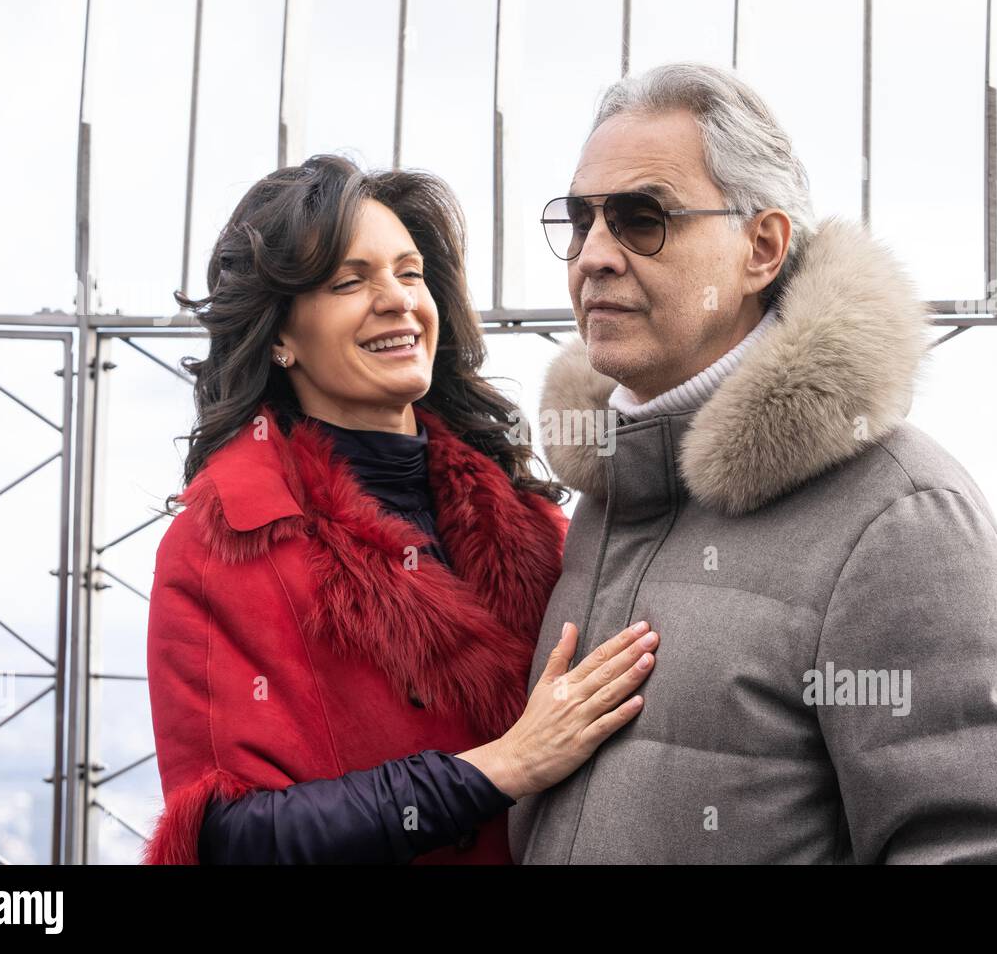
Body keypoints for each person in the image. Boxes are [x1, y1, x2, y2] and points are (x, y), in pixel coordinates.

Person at [508, 63, 997, 863]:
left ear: (761, 248)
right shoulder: (609, 494)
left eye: (642, 219)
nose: (593, 254)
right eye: (580, 219)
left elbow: (982, 847)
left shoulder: (900, 515)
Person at [142, 155, 659, 864]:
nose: (397, 299)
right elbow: (233, 837)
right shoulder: (225, 539)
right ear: (281, 337)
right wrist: (500, 768)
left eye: (409, 272)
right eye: (348, 281)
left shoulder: (532, 523)